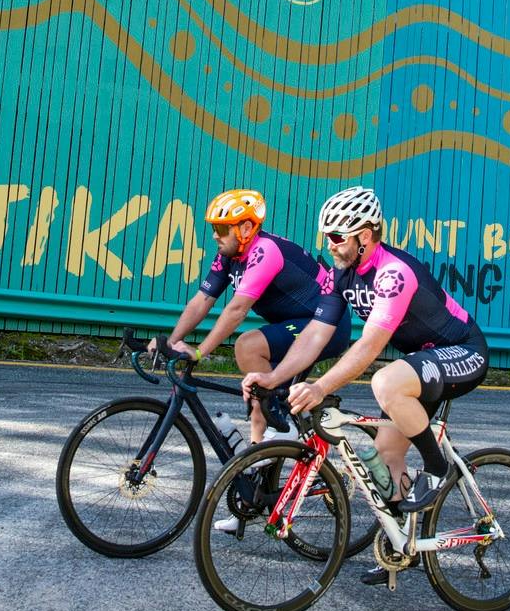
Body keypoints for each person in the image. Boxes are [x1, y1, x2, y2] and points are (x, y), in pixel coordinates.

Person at [243, 185, 488, 584]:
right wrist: (274, 377)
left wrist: (320, 387)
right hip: (421, 361)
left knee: (385, 380)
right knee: (384, 460)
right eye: (326, 236)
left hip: (462, 351)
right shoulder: (343, 274)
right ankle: (401, 546)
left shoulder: (393, 274)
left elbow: (371, 345)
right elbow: (316, 333)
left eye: (337, 236)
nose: (330, 244)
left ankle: (438, 467)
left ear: (366, 236)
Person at [156, 188, 349, 451]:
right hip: (296, 325)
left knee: (248, 346)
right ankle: (260, 469)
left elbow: (237, 310)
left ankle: (281, 428)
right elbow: (202, 300)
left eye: (222, 228)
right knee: (259, 402)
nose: (215, 235)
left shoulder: (264, 251)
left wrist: (199, 352)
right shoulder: (230, 255)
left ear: (246, 228)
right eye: (214, 227)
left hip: (326, 326)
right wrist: (172, 342)